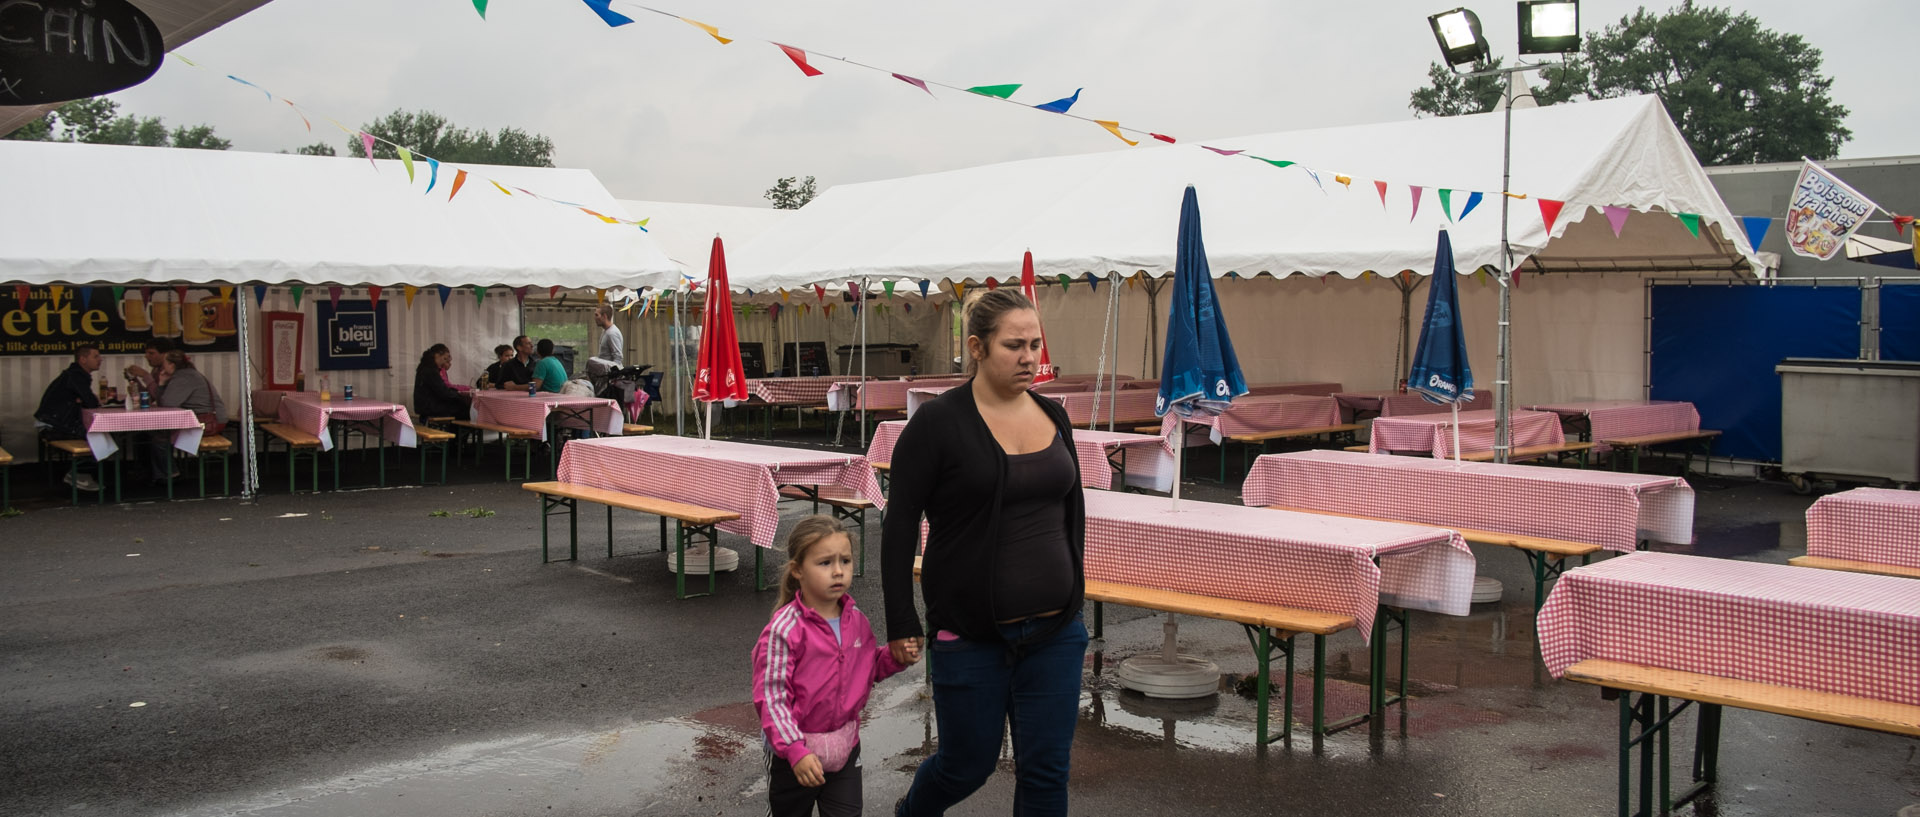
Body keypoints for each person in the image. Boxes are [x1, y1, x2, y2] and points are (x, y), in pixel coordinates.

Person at [881, 289, 1088, 817]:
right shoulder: (937, 424)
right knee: (966, 765)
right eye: (1013, 345)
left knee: (1046, 771)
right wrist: (902, 619)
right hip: (971, 635)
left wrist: (1073, 593)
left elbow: (1071, 510)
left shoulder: (1053, 415)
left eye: (1035, 345)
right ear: (977, 347)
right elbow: (900, 521)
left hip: (1054, 633)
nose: (1028, 357)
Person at [754, 516, 917, 817]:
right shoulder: (784, 629)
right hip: (795, 755)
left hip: (845, 748)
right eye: (825, 563)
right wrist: (794, 750)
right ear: (797, 571)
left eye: (845, 560)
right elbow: (772, 698)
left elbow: (868, 668)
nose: (838, 571)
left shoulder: (857, 621)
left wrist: (897, 657)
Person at [146, 350, 227, 481]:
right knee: (157, 434)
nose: (162, 367)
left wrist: (161, 384)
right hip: (205, 418)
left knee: (160, 437)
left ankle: (170, 474)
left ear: (172, 365)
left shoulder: (184, 377)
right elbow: (165, 403)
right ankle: (163, 475)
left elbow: (167, 403)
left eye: (164, 364)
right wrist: (162, 383)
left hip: (208, 422)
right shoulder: (186, 375)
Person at [35, 344, 105, 491]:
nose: (100, 359)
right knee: (99, 436)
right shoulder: (76, 375)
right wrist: (82, 400)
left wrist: (81, 400)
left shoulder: (75, 374)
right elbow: (91, 402)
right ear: (83, 359)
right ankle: (79, 474)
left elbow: (86, 401)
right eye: (96, 356)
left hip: (54, 421)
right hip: (52, 425)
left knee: (100, 435)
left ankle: (81, 473)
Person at [412, 344, 473, 417]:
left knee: (460, 405)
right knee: (466, 409)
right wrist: (460, 396)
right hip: (429, 408)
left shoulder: (425, 367)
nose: (444, 363)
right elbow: (444, 392)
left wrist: (457, 394)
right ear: (437, 355)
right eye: (444, 359)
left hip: (425, 406)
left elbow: (442, 390)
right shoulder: (430, 370)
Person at [586, 304, 623, 375]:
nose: (595, 318)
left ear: (604, 316)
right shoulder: (605, 331)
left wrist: (612, 375)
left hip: (610, 375)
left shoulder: (612, 333)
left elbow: (618, 358)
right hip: (604, 374)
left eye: (597, 315)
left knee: (591, 361)